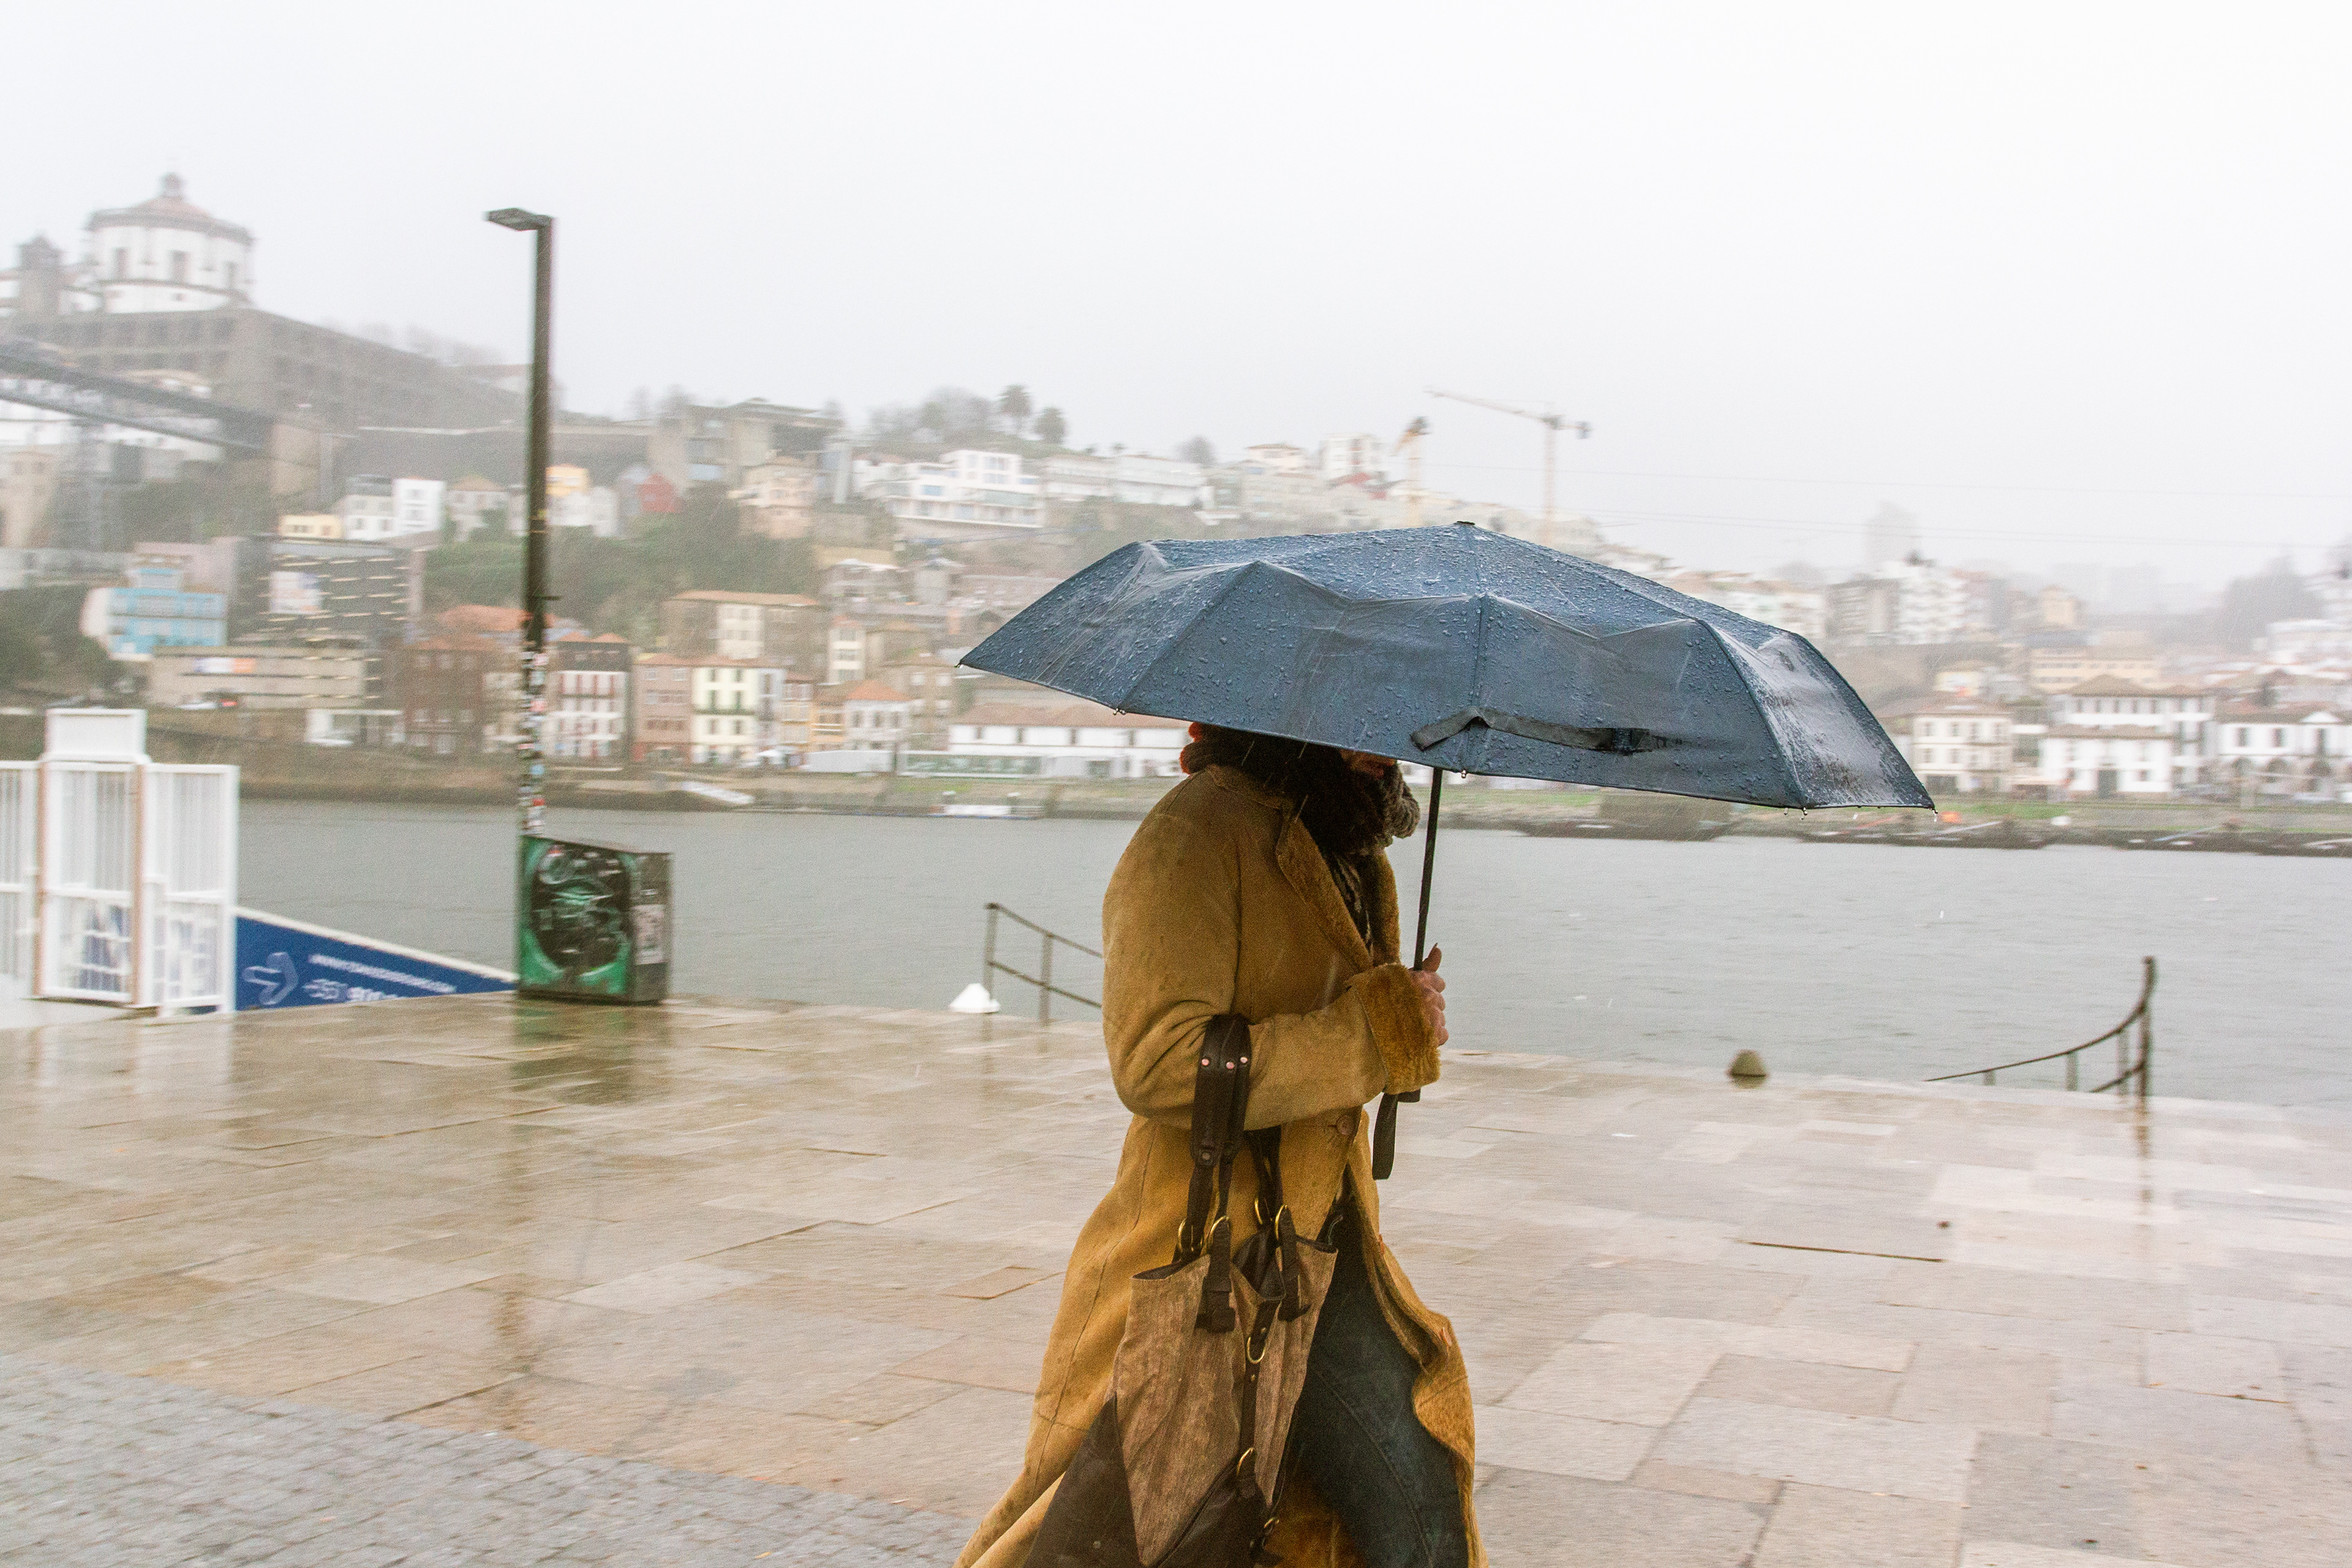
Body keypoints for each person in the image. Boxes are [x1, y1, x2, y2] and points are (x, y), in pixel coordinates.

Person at [956, 725, 1479, 1568]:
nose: (1383, 745)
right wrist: (1370, 1037)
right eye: (1356, 720)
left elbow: (1340, 1032)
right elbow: (1156, 1060)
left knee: (1390, 1515)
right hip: (1210, 1256)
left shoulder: (1352, 854)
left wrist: (1405, 1014)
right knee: (1135, 1528)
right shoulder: (1194, 835)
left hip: (1322, 1245)